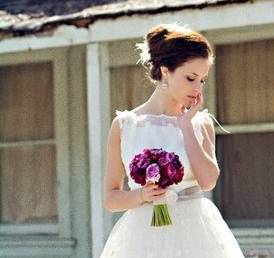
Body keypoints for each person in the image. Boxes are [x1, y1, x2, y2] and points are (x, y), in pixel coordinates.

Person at [100, 23, 245, 258]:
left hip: (196, 235)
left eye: (202, 80)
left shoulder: (201, 122)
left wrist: (186, 125)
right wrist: (142, 196)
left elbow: (208, 181)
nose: (198, 88)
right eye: (191, 78)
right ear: (166, 71)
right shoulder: (126, 125)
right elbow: (111, 199)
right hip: (142, 239)